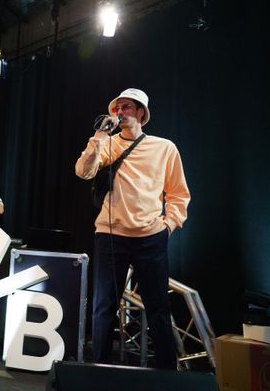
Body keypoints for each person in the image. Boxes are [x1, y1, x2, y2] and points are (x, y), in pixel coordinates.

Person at [75, 88, 190, 370]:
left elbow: (178, 194)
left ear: (141, 112)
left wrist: (168, 226)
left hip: (151, 236)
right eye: (118, 108)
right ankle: (100, 369)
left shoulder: (165, 148)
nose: (121, 112)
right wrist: (100, 136)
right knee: (104, 307)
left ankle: (166, 374)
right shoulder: (108, 144)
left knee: (158, 308)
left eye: (127, 107)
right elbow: (83, 171)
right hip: (110, 235)